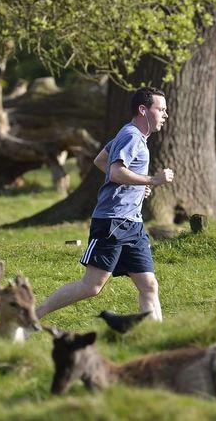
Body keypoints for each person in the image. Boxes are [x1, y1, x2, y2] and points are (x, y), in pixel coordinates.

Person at [35, 87, 173, 321]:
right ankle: (33, 316)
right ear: (143, 110)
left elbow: (101, 161)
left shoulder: (132, 135)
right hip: (114, 222)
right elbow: (116, 172)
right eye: (161, 109)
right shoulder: (131, 136)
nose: (165, 115)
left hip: (133, 225)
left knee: (149, 285)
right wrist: (152, 180)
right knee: (92, 286)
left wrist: (137, 185)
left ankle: (154, 339)